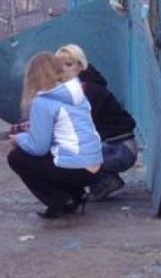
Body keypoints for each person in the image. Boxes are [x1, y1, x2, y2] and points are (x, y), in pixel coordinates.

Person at [7, 52, 104, 219]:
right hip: (95, 165)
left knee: (17, 157)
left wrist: (19, 139)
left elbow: (38, 148)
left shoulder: (42, 102)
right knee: (52, 155)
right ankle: (76, 194)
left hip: (76, 168)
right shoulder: (77, 94)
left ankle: (59, 200)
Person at [55, 43, 138, 200]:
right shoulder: (78, 89)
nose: (63, 70)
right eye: (59, 66)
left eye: (68, 64)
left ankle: (102, 182)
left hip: (120, 149)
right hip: (113, 146)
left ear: (81, 66)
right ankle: (103, 181)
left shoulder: (89, 90)